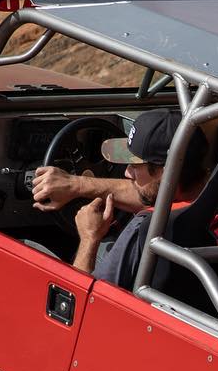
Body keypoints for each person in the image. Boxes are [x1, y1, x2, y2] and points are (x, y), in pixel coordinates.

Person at [72, 109, 208, 289]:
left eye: (135, 165)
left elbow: (80, 297)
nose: (127, 173)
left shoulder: (146, 228)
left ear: (167, 172)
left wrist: (89, 237)